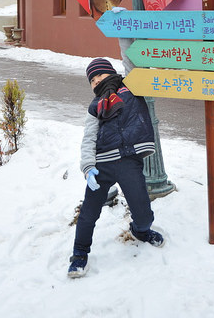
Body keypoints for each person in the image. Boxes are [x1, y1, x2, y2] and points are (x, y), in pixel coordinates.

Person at [67, 56, 164, 279]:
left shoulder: (132, 88)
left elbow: (136, 67)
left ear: (111, 73)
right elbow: (89, 138)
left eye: (100, 75)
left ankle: (140, 231)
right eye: (92, 80)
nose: (97, 82)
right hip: (102, 165)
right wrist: (88, 167)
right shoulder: (94, 106)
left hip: (129, 161)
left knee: (143, 212)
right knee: (88, 214)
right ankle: (79, 254)